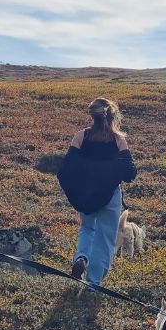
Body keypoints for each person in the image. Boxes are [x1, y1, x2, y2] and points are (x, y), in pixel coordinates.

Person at [57, 97, 137, 285]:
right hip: (110, 195)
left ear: (92, 115)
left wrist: (76, 193)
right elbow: (130, 173)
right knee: (105, 238)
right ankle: (92, 285)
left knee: (87, 229)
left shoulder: (80, 136)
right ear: (112, 116)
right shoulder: (118, 140)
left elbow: (65, 169)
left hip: (86, 195)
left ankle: (81, 257)